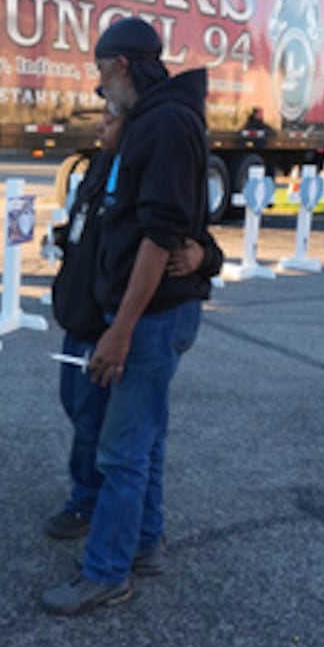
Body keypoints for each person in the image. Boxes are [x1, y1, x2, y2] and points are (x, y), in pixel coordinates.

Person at [41, 17, 213, 616]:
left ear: (119, 66)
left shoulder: (163, 123)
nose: (98, 89)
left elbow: (160, 235)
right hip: (146, 313)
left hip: (148, 318)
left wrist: (120, 329)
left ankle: (107, 572)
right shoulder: (152, 122)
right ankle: (144, 544)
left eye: (99, 72)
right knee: (143, 439)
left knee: (121, 449)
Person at [45, 108, 221, 540]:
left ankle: (111, 523)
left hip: (106, 327)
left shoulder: (154, 170)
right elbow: (92, 229)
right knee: (82, 412)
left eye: (109, 117)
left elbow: (184, 239)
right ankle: (104, 510)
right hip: (81, 318)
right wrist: (66, 237)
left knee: (115, 436)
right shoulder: (99, 166)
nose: (99, 124)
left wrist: (204, 258)